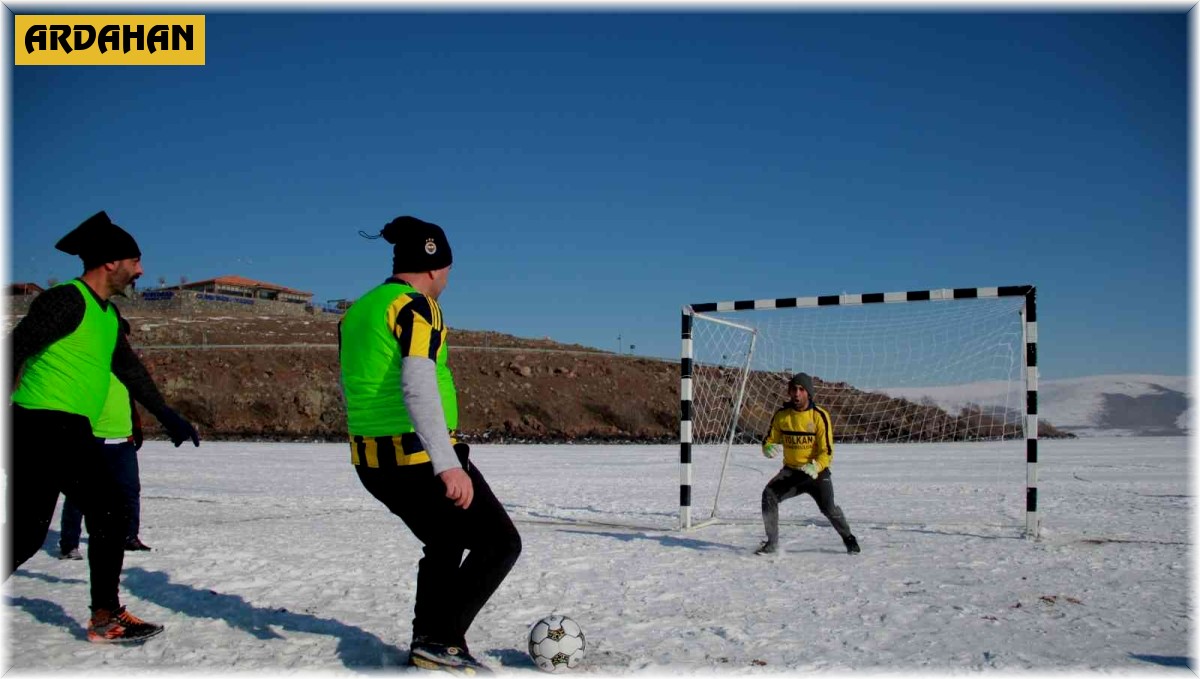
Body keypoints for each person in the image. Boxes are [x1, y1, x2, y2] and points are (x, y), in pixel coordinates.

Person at [7, 210, 201, 643]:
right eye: (136, 261)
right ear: (110, 262)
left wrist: (167, 415)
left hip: (62, 428)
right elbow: (14, 347)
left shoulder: (107, 316)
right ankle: (106, 616)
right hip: (43, 423)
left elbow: (129, 371)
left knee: (25, 534)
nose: (142, 271)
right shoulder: (65, 300)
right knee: (109, 511)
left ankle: (105, 615)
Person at [338, 215, 521, 673]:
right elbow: (417, 384)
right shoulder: (416, 306)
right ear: (437, 267)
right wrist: (447, 463)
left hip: (371, 460)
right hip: (417, 456)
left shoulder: (358, 310)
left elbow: (355, 386)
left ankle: (430, 641)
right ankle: (440, 639)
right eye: (450, 272)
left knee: (444, 541)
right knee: (499, 544)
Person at [58, 316, 151, 561]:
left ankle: (129, 537)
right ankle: (70, 544)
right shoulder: (87, 364)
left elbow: (131, 402)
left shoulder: (127, 370)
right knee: (80, 495)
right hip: (91, 440)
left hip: (123, 441)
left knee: (130, 491)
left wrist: (136, 429)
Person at [757, 372, 860, 556]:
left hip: (816, 473)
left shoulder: (820, 416)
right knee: (769, 495)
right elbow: (769, 440)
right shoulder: (782, 416)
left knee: (829, 509)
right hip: (791, 473)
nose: (797, 393)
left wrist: (816, 466)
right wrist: (767, 448)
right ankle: (772, 543)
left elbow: (826, 451)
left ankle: (848, 538)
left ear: (808, 393)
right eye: (794, 389)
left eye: (801, 390)